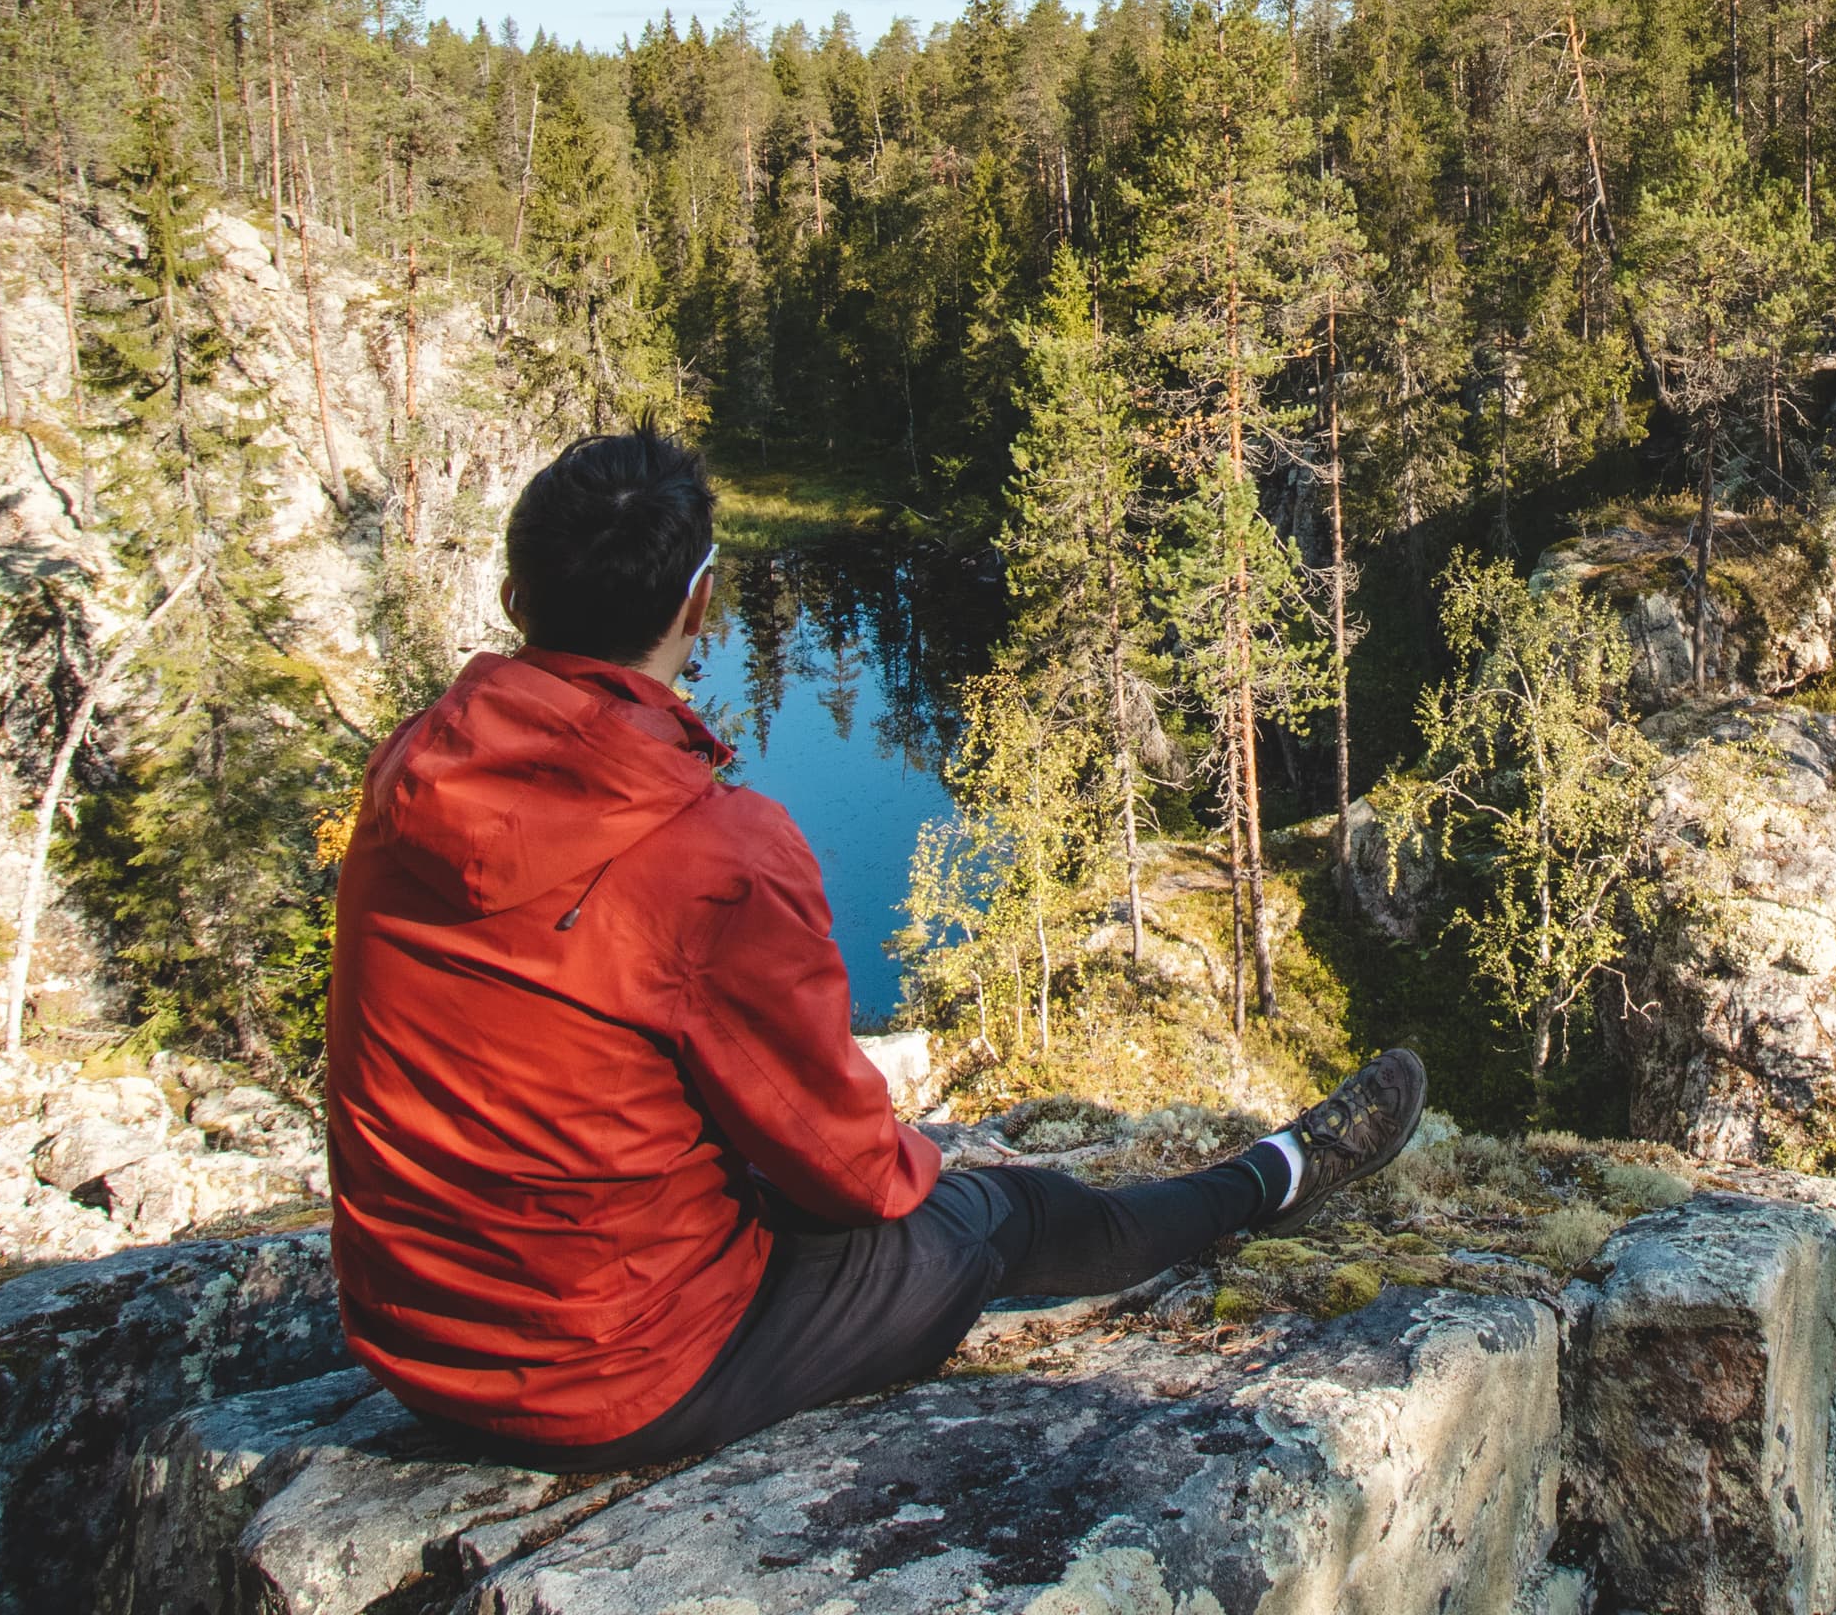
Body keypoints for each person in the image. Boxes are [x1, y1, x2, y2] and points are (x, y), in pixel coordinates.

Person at [325, 426, 1425, 1467]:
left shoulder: (408, 779)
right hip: (619, 1373)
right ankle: (1271, 1177)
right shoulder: (709, 852)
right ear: (699, 603)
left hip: (416, 1347)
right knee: (996, 1213)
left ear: (516, 598)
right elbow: (854, 1172)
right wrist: (927, 1175)